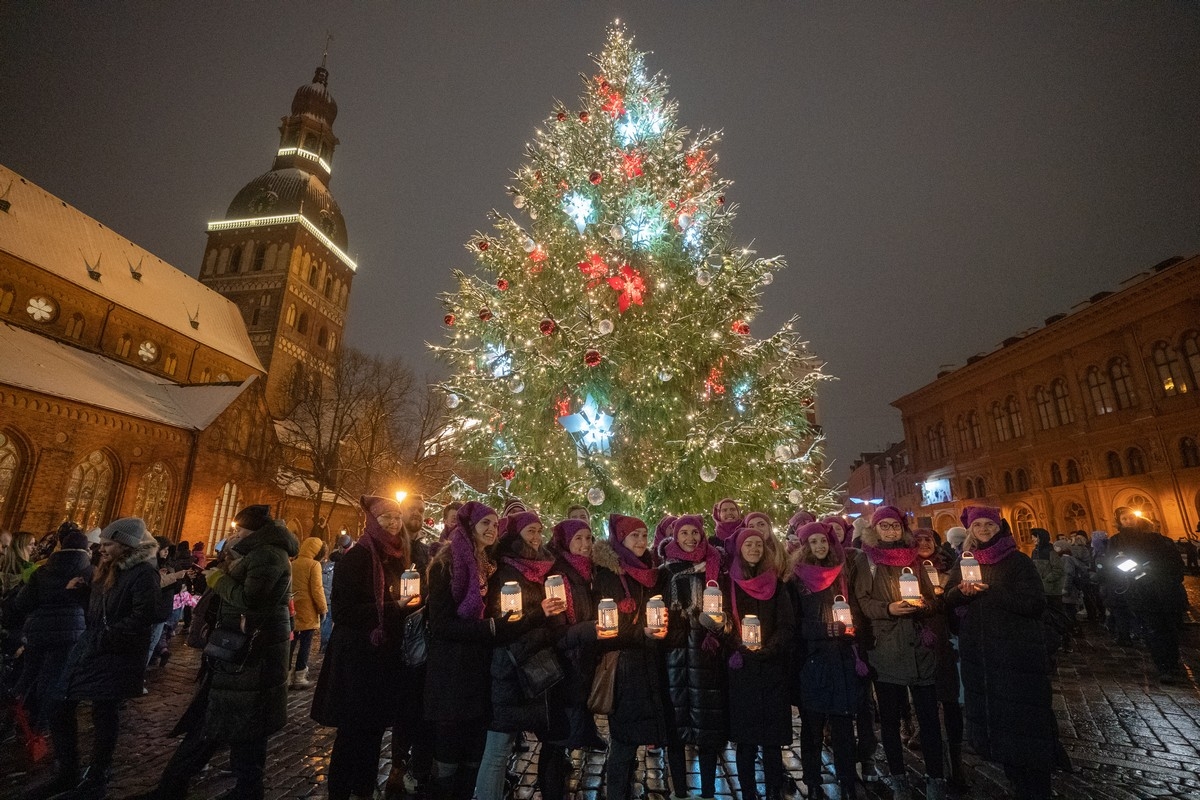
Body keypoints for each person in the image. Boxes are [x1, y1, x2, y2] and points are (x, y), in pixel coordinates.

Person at [142, 505, 298, 800]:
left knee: (228, 724)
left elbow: (249, 599)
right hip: (240, 653)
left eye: (239, 529)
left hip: (250, 655)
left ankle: (185, 787)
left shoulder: (268, 555)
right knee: (235, 725)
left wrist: (218, 580)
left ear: (253, 531)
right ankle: (239, 789)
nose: (234, 533)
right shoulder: (255, 553)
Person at [29, 518, 159, 800]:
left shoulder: (143, 574)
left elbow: (142, 617)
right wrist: (82, 594)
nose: (101, 548)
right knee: (60, 703)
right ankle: (69, 771)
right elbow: (101, 608)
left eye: (109, 544)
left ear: (126, 546)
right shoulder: (107, 568)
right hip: (94, 648)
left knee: (104, 713)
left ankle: (97, 776)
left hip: (115, 655)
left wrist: (104, 637)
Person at [312, 494, 431, 800]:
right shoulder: (358, 556)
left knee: (375, 729)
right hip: (356, 657)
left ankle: (364, 788)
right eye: (386, 519)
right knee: (352, 731)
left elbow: (399, 605)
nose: (393, 523)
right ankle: (339, 790)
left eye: (395, 517)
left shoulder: (398, 555)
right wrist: (394, 606)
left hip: (384, 657)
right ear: (372, 522)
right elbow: (343, 611)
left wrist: (411, 605)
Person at [944, 506, 1060, 800]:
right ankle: (1015, 780)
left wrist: (989, 590)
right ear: (970, 530)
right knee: (999, 725)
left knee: (1025, 725)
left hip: (1016, 656)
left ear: (999, 527)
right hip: (981, 657)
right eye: (978, 525)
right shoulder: (963, 562)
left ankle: (1036, 787)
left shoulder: (1017, 560)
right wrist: (960, 593)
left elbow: (1034, 604)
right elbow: (950, 600)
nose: (983, 529)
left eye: (989, 524)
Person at [475, 511, 571, 800]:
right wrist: (540, 616)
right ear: (516, 534)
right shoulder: (505, 571)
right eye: (530, 531)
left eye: (539, 531)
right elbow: (503, 624)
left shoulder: (542, 569)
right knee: (498, 745)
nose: (536, 537)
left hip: (534, 664)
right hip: (509, 665)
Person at [852, 506, 946, 800]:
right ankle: (898, 777)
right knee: (890, 721)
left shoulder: (916, 559)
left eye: (895, 526)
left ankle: (936, 778)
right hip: (886, 650)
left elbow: (932, 600)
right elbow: (862, 600)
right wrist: (888, 609)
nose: (890, 530)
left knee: (929, 719)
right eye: (885, 526)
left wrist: (923, 606)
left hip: (919, 649)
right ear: (875, 529)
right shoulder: (867, 560)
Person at [425, 501, 508, 800]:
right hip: (451, 673)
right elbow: (441, 624)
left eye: (495, 524)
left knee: (474, 750)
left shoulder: (488, 564)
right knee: (449, 750)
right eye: (485, 523)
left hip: (478, 671)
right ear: (469, 526)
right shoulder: (447, 564)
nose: (491, 529)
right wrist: (490, 628)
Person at [591, 513, 668, 800]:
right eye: (633, 535)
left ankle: (628, 788)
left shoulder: (650, 569)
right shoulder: (610, 575)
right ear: (621, 540)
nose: (640, 540)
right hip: (624, 666)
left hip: (649, 662)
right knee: (623, 741)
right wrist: (640, 634)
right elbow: (607, 627)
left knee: (638, 735)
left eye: (643, 534)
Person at [790, 521, 865, 799]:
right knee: (812, 728)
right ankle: (812, 781)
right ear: (805, 547)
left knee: (844, 726)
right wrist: (825, 630)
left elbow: (854, 608)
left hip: (842, 659)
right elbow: (794, 624)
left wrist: (852, 626)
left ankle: (847, 779)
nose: (820, 546)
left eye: (824, 541)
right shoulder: (796, 580)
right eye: (814, 542)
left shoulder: (841, 574)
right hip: (812, 662)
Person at [658, 514, 727, 800]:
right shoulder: (664, 571)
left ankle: (709, 791)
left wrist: (720, 624)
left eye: (694, 533)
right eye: (683, 533)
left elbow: (725, 610)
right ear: (675, 536)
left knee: (707, 726)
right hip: (674, 655)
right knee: (676, 725)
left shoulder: (713, 569)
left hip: (705, 656)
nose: (689, 538)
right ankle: (680, 791)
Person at [726, 527, 794, 800]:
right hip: (742, 670)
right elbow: (724, 621)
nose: (754, 549)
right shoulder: (728, 582)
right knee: (746, 741)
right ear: (740, 550)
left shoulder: (776, 584)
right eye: (748, 545)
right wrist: (739, 646)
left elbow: (786, 623)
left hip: (771, 667)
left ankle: (773, 790)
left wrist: (770, 648)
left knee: (771, 741)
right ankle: (748, 792)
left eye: (758, 544)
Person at [8, 527, 93, 734]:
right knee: (53, 678)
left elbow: (22, 603)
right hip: (69, 632)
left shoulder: (43, 569)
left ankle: (10, 717)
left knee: (28, 674)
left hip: (38, 629)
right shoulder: (90, 572)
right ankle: (40, 724)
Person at [912, 528, 967, 792]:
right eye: (918, 540)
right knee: (926, 703)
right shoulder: (908, 570)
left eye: (928, 540)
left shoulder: (950, 568)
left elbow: (958, 603)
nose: (923, 543)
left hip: (946, 643)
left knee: (951, 702)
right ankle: (935, 762)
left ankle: (956, 764)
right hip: (921, 643)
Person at [1108, 508, 1187, 683]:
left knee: (1170, 627)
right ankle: (1163, 666)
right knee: (1152, 628)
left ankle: (1172, 661)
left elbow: (1173, 563)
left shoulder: (1156, 539)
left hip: (1164, 590)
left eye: (1131, 518)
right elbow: (1114, 564)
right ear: (1119, 521)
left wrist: (1159, 572)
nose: (1129, 521)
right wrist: (1138, 571)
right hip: (1139, 591)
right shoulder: (1116, 541)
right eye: (1124, 518)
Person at [547, 518, 606, 752]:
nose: (585, 544)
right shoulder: (559, 576)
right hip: (568, 657)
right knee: (563, 723)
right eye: (578, 539)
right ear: (565, 542)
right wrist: (589, 629)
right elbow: (557, 631)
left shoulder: (590, 570)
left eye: (589, 538)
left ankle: (583, 736)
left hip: (585, 650)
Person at [287, 536, 327, 690]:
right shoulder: (314, 565)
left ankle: (287, 674)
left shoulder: (293, 563)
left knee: (291, 643)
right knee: (305, 644)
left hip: (293, 608)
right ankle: (300, 675)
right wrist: (323, 608)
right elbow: (317, 589)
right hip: (308, 609)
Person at [1030, 528, 1069, 655]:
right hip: (1040, 590)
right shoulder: (1034, 552)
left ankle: (1065, 640)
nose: (1032, 539)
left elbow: (1058, 570)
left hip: (1052, 590)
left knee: (1057, 616)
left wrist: (1046, 580)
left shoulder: (1051, 552)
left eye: (1034, 537)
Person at [320, 534, 352, 653]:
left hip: (327, 597)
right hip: (338, 597)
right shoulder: (344, 566)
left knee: (327, 622)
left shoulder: (324, 566)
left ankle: (324, 645)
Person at [0, 530, 35, 595]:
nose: (34, 547)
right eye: (30, 544)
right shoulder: (13, 565)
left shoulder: (29, 565)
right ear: (19, 546)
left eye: (34, 544)